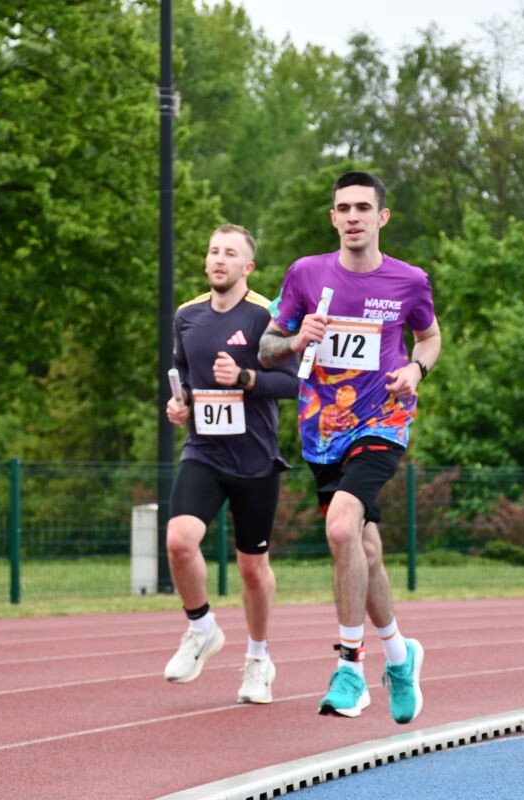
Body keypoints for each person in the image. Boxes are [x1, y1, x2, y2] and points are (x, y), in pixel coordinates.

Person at [258, 170, 441, 724]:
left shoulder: (409, 281)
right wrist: (296, 340)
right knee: (365, 550)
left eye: (364, 207)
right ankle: (400, 655)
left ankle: (350, 669)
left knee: (341, 527)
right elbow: (267, 349)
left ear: (382, 217)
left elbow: (429, 336)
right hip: (322, 429)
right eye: (344, 208)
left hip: (383, 419)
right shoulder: (305, 275)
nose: (354, 216)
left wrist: (415, 368)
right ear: (333, 218)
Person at [162, 224, 299, 703]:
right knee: (180, 541)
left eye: (230, 254)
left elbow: (295, 383)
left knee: (251, 567)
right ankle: (201, 627)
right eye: (213, 251)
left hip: (254, 458)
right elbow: (181, 375)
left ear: (248, 267)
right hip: (204, 450)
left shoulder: (267, 316)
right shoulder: (187, 315)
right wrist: (178, 407)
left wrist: (245, 378)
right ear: (206, 262)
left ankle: (259, 659)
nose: (219, 259)